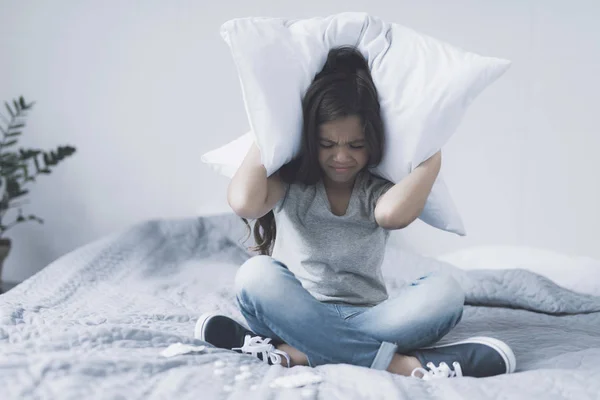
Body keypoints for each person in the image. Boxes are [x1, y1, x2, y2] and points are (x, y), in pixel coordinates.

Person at [195, 46, 516, 379]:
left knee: (446, 290)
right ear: (309, 139)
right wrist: (270, 132)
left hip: (370, 317)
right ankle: (401, 365)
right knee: (255, 274)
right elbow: (244, 201)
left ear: (373, 142)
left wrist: (430, 153)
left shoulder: (374, 189)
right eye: (327, 144)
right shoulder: (293, 182)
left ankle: (295, 353)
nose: (341, 157)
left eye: (355, 145)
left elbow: (393, 215)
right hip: (295, 313)